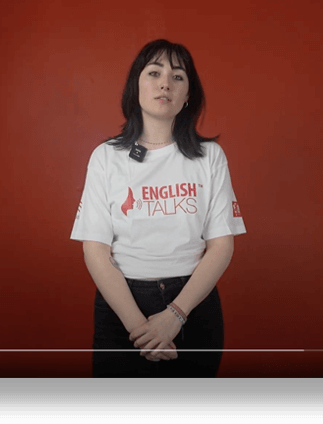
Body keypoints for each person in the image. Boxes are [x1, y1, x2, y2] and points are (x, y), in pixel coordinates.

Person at [70, 39, 246, 377]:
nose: (166, 83)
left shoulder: (210, 157)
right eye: (154, 73)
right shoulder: (106, 157)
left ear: (188, 94)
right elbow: (95, 250)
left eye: (178, 77)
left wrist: (175, 316)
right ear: (135, 86)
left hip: (193, 305)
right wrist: (140, 329)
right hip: (122, 306)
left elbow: (222, 245)